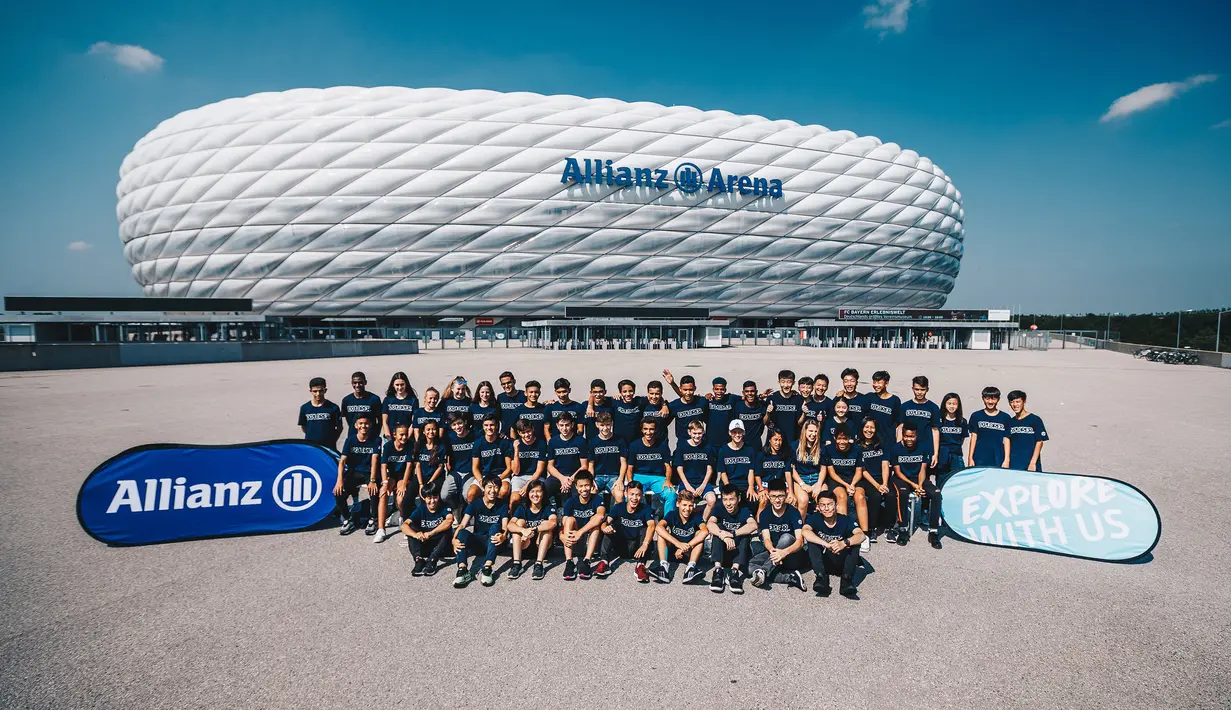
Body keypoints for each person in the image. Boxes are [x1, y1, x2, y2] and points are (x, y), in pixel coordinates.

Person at [802, 492, 864, 599]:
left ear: (836, 506)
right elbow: (805, 531)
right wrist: (825, 544)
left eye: (830, 504)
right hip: (824, 562)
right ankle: (821, 579)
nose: (826, 508)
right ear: (818, 507)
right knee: (812, 541)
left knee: (854, 542)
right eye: (823, 505)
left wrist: (843, 543)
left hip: (842, 561)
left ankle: (847, 581)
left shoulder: (845, 520)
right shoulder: (815, 518)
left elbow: (861, 535)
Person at [890, 423, 942, 549]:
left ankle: (933, 531)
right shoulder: (895, 448)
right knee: (902, 493)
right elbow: (897, 472)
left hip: (918, 478)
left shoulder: (923, 447)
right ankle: (903, 529)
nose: (909, 439)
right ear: (902, 435)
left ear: (916, 436)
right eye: (907, 436)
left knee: (936, 493)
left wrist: (919, 486)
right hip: (901, 478)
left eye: (912, 436)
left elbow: (923, 469)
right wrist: (914, 485)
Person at [749, 479, 807, 591]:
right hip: (775, 554)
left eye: (780, 496)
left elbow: (799, 541)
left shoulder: (793, 512)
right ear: (769, 496)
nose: (777, 500)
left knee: (786, 537)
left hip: (791, 555)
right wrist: (773, 552)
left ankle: (765, 570)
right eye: (774, 496)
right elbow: (766, 539)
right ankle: (790, 578)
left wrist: (783, 553)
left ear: (785, 495)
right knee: (751, 567)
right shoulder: (765, 514)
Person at [452, 476, 509, 588]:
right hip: (479, 541)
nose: (493, 491)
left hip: (495, 542)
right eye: (489, 487)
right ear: (483, 488)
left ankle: (487, 568)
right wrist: (453, 539)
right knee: (462, 532)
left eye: (496, 487)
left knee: (495, 527)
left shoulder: (503, 505)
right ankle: (463, 570)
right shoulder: (475, 504)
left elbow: (505, 526)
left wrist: (504, 536)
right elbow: (463, 524)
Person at [598, 480, 656, 582]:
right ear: (625, 494)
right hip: (622, 546)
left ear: (642, 495)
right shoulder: (618, 507)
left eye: (637, 495)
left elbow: (651, 526)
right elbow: (605, 521)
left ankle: (640, 566)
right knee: (611, 527)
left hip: (638, 547)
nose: (634, 498)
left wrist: (645, 544)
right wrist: (604, 528)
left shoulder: (646, 509)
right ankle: (604, 562)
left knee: (646, 528)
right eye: (631, 494)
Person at [334, 416, 381, 536]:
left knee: (374, 490)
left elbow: (375, 460)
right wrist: (339, 481)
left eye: (366, 423)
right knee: (338, 493)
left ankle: (373, 519)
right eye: (360, 423)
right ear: (355, 425)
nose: (363, 426)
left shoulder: (376, 440)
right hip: (354, 472)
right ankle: (348, 519)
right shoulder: (350, 440)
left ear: (370, 425)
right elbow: (342, 461)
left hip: (369, 472)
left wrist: (372, 480)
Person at [706, 484, 756, 594]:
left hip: (738, 553)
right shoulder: (719, 507)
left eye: (731, 499)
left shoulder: (744, 510)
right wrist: (722, 535)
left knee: (744, 534)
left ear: (738, 498)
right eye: (725, 499)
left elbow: (753, 525)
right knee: (718, 528)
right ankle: (718, 571)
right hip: (721, 552)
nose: (728, 503)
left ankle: (734, 573)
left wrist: (732, 534)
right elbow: (709, 524)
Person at [655, 490, 709, 584]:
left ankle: (690, 569)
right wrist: (678, 544)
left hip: (689, 552)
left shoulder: (696, 516)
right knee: (663, 531)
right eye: (684, 505)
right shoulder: (672, 514)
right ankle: (663, 567)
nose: (687, 509)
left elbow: (705, 531)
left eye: (690, 505)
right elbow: (658, 527)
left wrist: (685, 547)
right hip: (673, 550)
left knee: (699, 533)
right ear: (677, 504)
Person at [507, 479, 557, 581]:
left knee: (546, 526)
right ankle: (517, 563)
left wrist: (534, 530)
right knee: (519, 523)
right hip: (525, 545)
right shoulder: (522, 508)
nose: (535, 494)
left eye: (538, 491)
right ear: (528, 494)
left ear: (543, 493)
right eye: (532, 491)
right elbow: (510, 525)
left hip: (543, 547)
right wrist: (522, 530)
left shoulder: (548, 507)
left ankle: (539, 564)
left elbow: (553, 522)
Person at [560, 471, 607, 580]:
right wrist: (562, 536)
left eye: (586, 485)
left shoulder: (598, 499)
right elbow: (564, 522)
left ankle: (587, 561)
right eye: (581, 486)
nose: (584, 489)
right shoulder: (571, 501)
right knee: (569, 519)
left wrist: (580, 532)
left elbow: (600, 516)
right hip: (574, 539)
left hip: (590, 536)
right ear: (576, 487)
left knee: (595, 521)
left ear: (591, 485)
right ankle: (569, 562)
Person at [625, 418, 676, 516]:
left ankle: (667, 522)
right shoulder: (634, 445)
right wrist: (630, 483)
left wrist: (668, 480)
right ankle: (631, 519)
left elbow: (668, 466)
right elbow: (630, 468)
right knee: (630, 495)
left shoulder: (662, 445)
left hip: (658, 478)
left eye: (651, 429)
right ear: (642, 430)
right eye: (646, 429)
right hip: (639, 476)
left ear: (655, 430)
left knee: (671, 494)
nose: (648, 432)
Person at [374, 424, 415, 544]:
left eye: (406, 434)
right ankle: (381, 529)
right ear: (394, 435)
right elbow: (383, 466)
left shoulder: (410, 445)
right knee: (383, 494)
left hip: (404, 476)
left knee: (400, 498)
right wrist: (385, 483)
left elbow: (409, 466)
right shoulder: (388, 446)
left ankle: (403, 520)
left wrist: (404, 484)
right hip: (391, 476)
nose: (404, 437)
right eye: (401, 434)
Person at [402, 483, 454, 577]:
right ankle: (418, 560)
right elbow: (404, 526)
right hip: (425, 544)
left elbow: (449, 520)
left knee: (447, 529)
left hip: (441, 546)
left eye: (435, 497)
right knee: (411, 529)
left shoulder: (445, 506)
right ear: (424, 498)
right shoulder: (421, 509)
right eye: (429, 498)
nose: (432, 501)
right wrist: (415, 534)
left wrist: (431, 533)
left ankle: (433, 560)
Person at [855, 418, 890, 548]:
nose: (869, 430)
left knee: (890, 495)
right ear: (862, 428)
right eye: (866, 427)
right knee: (875, 496)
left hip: (882, 478)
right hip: (866, 480)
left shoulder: (882, 444)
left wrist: (885, 484)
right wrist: (877, 485)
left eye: (872, 428)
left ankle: (890, 527)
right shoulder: (858, 446)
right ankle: (872, 528)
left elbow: (885, 465)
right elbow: (862, 470)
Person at [822, 425, 865, 529]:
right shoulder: (829, 449)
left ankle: (865, 533)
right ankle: (843, 531)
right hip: (837, 479)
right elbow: (831, 473)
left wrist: (852, 485)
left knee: (860, 496)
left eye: (845, 439)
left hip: (853, 479)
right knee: (841, 496)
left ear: (849, 439)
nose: (842, 442)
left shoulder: (857, 449)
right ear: (835, 438)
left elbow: (859, 471)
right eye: (839, 439)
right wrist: (846, 485)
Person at [672, 420, 717, 518]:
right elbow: (679, 469)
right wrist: (687, 485)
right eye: (695, 433)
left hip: (702, 482)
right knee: (684, 503)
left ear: (703, 432)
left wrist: (703, 486)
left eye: (700, 433)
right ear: (689, 432)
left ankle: (703, 522)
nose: (697, 436)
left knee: (712, 500)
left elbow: (710, 469)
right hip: (687, 482)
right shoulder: (682, 446)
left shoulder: (707, 447)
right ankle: (686, 523)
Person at [545, 411, 590, 504]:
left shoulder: (580, 441)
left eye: (567, 425)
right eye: (561, 425)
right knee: (543, 489)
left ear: (572, 424)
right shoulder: (553, 442)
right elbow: (550, 466)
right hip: (558, 476)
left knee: (578, 498)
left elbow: (584, 466)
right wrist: (562, 479)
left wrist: (570, 480)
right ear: (557, 425)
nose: (564, 428)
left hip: (576, 476)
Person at [967, 386, 1013, 468]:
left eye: (993, 399)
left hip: (998, 458)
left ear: (998, 399)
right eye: (987, 399)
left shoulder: (1005, 417)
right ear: (983, 399)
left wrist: (1006, 460)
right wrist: (970, 457)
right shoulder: (976, 416)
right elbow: (974, 437)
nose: (990, 402)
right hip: (979, 458)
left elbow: (1006, 439)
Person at [471, 417, 514, 503]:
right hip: (484, 476)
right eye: (486, 425)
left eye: (492, 425)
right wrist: (481, 481)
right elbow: (474, 468)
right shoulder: (478, 443)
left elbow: (509, 468)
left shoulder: (504, 442)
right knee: (471, 494)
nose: (489, 428)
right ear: (483, 427)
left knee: (503, 491)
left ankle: (500, 513)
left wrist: (497, 480)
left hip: (501, 475)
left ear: (497, 426)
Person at [508, 419, 548, 510]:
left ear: (532, 429)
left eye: (528, 431)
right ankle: (513, 521)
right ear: (518, 433)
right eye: (523, 432)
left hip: (536, 477)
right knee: (514, 499)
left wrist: (527, 486)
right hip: (519, 477)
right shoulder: (515, 444)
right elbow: (516, 471)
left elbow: (539, 470)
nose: (526, 435)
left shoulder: (541, 443)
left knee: (537, 497)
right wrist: (516, 451)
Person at [587, 411, 627, 500]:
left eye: (608, 425)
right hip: (598, 476)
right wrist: (591, 479)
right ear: (597, 425)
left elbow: (623, 463)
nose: (605, 428)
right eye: (602, 425)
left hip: (614, 476)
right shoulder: (593, 442)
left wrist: (620, 479)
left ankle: (615, 514)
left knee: (620, 495)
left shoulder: (619, 440)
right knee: (590, 493)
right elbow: (591, 465)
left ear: (612, 423)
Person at [900, 376, 942, 461]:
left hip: (926, 449)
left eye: (922, 390)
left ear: (927, 389)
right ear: (913, 389)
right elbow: (900, 428)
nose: (919, 392)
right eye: (917, 389)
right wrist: (899, 447)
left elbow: (935, 431)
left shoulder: (933, 408)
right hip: (908, 448)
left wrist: (935, 454)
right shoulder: (905, 406)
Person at [717, 419, 758, 504]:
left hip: (744, 484)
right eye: (734, 432)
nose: (737, 435)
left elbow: (751, 471)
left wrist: (751, 487)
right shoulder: (723, 450)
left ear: (743, 432)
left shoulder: (750, 450)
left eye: (740, 432)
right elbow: (723, 473)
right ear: (729, 433)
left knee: (753, 502)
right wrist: (729, 488)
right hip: (729, 483)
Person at [1006, 390, 1048, 472]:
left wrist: (1033, 463)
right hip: (1014, 464)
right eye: (1012, 402)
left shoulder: (1035, 420)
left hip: (1031, 465)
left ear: (1024, 402)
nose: (1015, 405)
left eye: (1018, 402)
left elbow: (1039, 442)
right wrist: (1007, 460)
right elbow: (1007, 440)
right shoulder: (1010, 422)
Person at [792, 419, 826, 518]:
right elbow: (792, 469)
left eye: (816, 431)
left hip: (817, 478)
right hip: (801, 478)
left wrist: (819, 484)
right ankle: (800, 529)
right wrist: (803, 484)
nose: (813, 434)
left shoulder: (822, 447)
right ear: (805, 431)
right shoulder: (795, 446)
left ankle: (823, 530)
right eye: (810, 431)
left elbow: (823, 468)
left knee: (824, 500)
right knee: (803, 500)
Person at [662, 370, 709, 443]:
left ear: (695, 388)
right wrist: (664, 404)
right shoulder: (674, 405)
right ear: (680, 389)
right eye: (685, 390)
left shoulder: (702, 401)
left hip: (701, 441)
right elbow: (663, 424)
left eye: (690, 390)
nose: (688, 393)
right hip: (683, 443)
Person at [754, 428, 792, 515]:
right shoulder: (762, 455)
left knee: (790, 500)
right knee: (763, 500)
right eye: (775, 440)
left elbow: (788, 473)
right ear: (769, 440)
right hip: (765, 484)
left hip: (780, 485)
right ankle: (759, 526)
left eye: (780, 440)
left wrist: (791, 492)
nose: (778, 443)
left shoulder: (785, 455)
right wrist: (761, 489)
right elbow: (757, 475)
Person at [441, 414, 476, 509]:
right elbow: (447, 455)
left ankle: (469, 513)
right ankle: (456, 509)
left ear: (464, 422)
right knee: (444, 495)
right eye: (454, 425)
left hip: (471, 472)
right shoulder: (449, 438)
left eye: (459, 423)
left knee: (467, 495)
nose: (457, 427)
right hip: (456, 472)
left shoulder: (474, 436)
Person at [299, 377, 343, 449]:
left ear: (325, 390)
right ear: (310, 391)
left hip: (328, 447)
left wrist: (332, 440)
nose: (318, 394)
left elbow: (339, 427)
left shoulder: (333, 407)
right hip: (311, 446)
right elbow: (304, 426)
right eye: (315, 391)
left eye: (320, 391)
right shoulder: (305, 408)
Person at [413, 420, 448, 507]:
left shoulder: (441, 446)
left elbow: (440, 467)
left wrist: (429, 482)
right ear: (423, 432)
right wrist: (421, 484)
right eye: (428, 429)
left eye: (433, 429)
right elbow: (417, 465)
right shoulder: (419, 445)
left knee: (429, 494)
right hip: (421, 476)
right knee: (407, 498)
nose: (431, 432)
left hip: (435, 478)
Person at [766, 369, 804, 448]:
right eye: (783, 382)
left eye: (789, 382)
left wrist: (804, 412)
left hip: (792, 440)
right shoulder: (772, 398)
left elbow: (799, 422)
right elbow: (766, 422)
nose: (786, 385)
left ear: (793, 383)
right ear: (779, 382)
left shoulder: (798, 399)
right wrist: (768, 412)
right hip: (775, 441)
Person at [936, 393, 969, 482]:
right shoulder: (939, 420)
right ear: (944, 404)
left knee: (959, 477)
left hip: (956, 454)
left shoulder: (962, 421)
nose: (952, 406)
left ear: (958, 405)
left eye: (954, 404)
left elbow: (962, 439)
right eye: (949, 403)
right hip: (942, 454)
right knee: (942, 478)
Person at [341, 371, 383, 436]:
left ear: (365, 382)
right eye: (355, 383)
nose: (357, 385)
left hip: (371, 437)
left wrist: (376, 434)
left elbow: (380, 420)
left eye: (360, 382)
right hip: (353, 436)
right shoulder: (346, 400)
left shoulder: (374, 399)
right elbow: (348, 419)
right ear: (352, 383)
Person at [865, 370, 901, 445]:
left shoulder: (895, 400)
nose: (876, 385)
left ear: (886, 383)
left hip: (888, 441)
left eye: (879, 382)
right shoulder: (869, 397)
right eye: (874, 382)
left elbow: (898, 424)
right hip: (872, 441)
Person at [381, 372, 419, 440]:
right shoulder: (388, 400)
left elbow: (413, 422)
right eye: (397, 385)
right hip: (390, 438)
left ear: (406, 384)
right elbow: (384, 421)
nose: (400, 387)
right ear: (393, 385)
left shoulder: (413, 400)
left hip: (406, 438)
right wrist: (389, 438)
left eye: (402, 384)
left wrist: (406, 437)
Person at [611, 379, 649, 447]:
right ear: (620, 392)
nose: (628, 394)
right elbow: (595, 396)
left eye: (630, 391)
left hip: (636, 442)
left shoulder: (640, 401)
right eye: (624, 391)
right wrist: (590, 406)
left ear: (634, 392)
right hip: (619, 442)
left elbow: (654, 397)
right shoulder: (615, 401)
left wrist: (664, 405)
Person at [732, 380, 769, 445]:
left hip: (756, 444)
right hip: (740, 444)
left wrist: (768, 413)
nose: (749, 393)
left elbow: (766, 422)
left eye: (752, 391)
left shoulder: (762, 405)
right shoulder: (737, 406)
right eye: (747, 391)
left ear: (756, 392)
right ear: (743, 393)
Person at [705, 377, 736, 447]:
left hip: (728, 441)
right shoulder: (708, 401)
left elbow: (745, 398)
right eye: (717, 389)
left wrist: (760, 396)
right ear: (713, 389)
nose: (719, 392)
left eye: (722, 389)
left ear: (725, 390)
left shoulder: (731, 398)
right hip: (711, 442)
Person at [496, 371, 526, 438]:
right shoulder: (500, 397)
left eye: (509, 383)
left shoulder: (524, 395)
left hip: (522, 434)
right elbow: (497, 417)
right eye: (503, 384)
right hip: (505, 435)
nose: (506, 386)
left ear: (514, 381)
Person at [641, 380, 671, 445]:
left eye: (657, 394)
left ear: (661, 393)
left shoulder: (667, 407)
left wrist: (664, 405)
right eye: (651, 393)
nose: (654, 397)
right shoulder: (642, 403)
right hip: (645, 443)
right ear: (648, 393)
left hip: (662, 443)